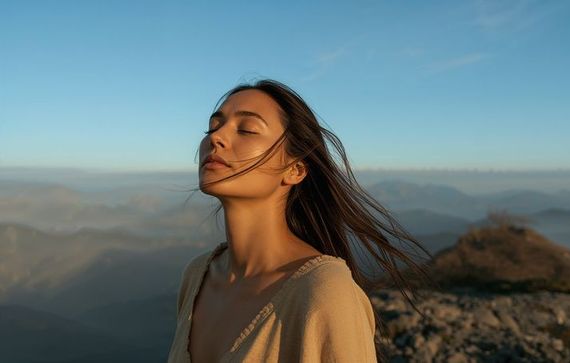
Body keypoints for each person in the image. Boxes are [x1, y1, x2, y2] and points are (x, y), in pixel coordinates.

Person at [167, 79, 432, 363]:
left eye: (247, 129)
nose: (216, 138)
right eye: (213, 126)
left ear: (295, 170)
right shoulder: (197, 276)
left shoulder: (324, 291)